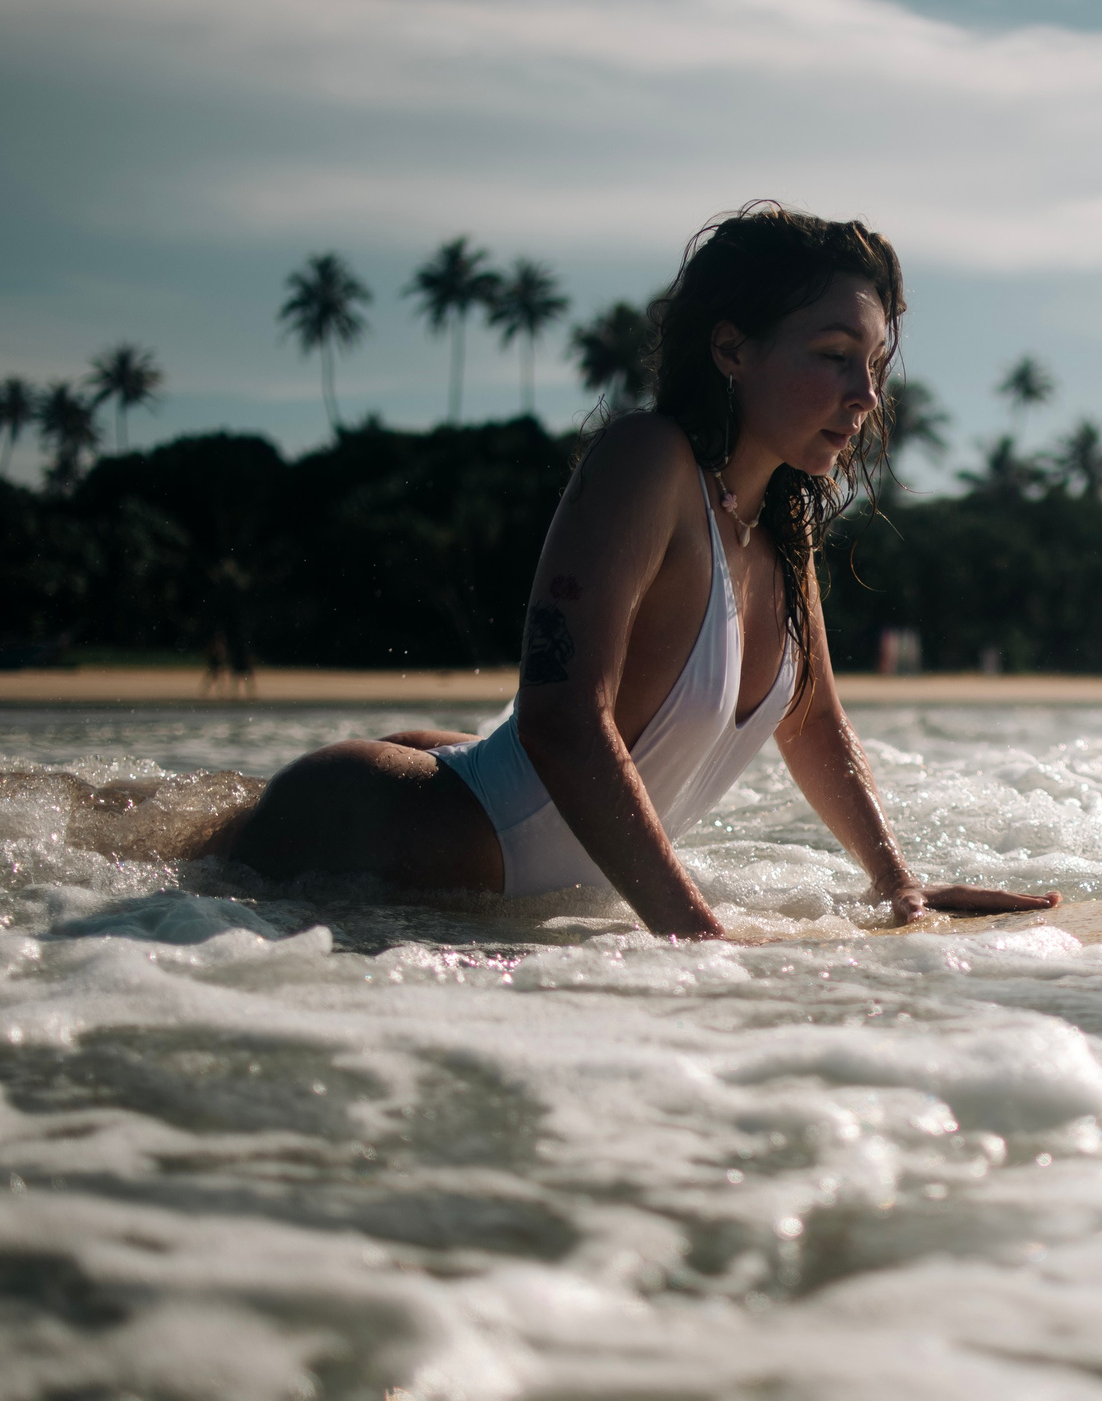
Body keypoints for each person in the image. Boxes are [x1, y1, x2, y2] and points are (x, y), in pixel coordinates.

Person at [225, 204, 1059, 938]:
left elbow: (812, 724)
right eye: (835, 355)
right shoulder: (648, 460)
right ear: (732, 348)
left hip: (477, 826)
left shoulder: (782, 532)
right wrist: (695, 933)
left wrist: (898, 886)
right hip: (365, 828)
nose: (866, 395)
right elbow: (561, 718)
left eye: (873, 364)